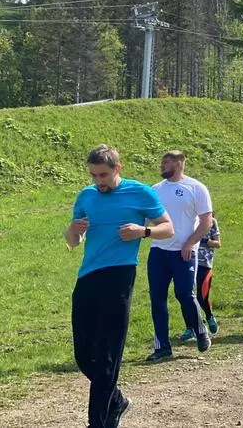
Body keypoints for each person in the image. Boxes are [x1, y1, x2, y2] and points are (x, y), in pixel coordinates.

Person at [65, 145, 174, 427]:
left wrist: (143, 231)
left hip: (119, 275)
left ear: (118, 169)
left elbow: (168, 228)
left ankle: (99, 422)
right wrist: (74, 232)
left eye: (103, 175)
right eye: (93, 176)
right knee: (83, 354)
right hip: (88, 276)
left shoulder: (140, 193)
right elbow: (72, 241)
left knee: (107, 354)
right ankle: (117, 400)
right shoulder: (86, 196)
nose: (98, 181)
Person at [147, 151, 214, 361]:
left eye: (166, 162)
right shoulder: (155, 190)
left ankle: (200, 331)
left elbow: (206, 222)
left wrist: (190, 243)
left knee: (184, 294)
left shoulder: (196, 188)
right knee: (157, 298)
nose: (162, 166)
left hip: (184, 252)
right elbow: (146, 216)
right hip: (159, 251)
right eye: (161, 163)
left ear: (180, 162)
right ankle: (162, 347)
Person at [179, 213, 221, 342]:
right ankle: (190, 328)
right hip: (187, 260)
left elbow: (218, 243)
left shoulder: (211, 221)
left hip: (204, 263)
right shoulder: (186, 221)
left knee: (201, 296)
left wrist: (204, 240)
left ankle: (209, 316)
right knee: (185, 295)